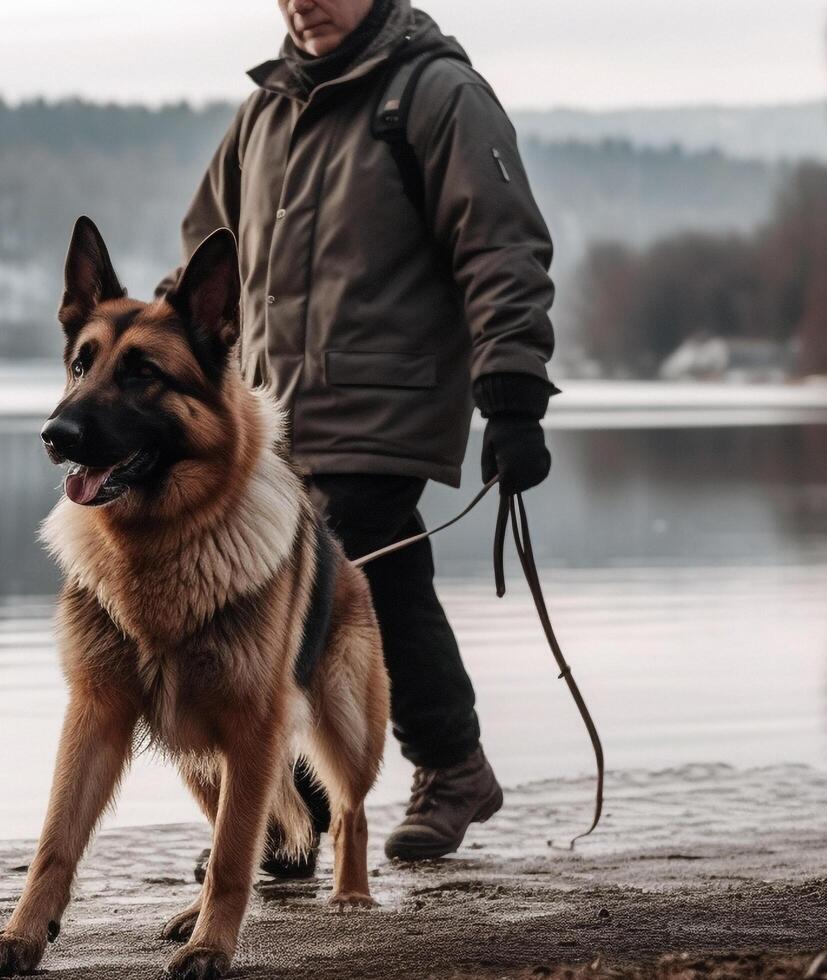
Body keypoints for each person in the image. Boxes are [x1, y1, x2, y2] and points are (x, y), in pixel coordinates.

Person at [158, 0, 558, 866]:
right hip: (266, 419)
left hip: (384, 404)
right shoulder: (261, 114)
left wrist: (513, 389)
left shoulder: (435, 93)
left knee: (376, 578)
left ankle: (451, 768)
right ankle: (292, 818)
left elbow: (500, 246)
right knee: (281, 608)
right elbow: (203, 262)